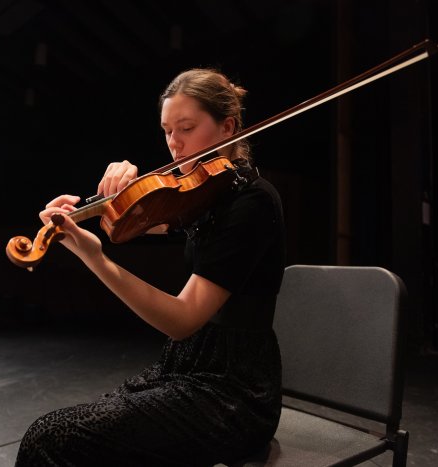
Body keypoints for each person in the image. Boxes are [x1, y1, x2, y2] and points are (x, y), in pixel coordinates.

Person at [15, 68, 285, 466]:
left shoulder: (252, 203)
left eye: (187, 128)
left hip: (234, 392)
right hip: (185, 367)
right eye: (167, 131)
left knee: (50, 437)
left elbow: (183, 319)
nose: (174, 145)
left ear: (227, 127)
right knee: (85, 432)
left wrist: (94, 256)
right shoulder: (206, 195)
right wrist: (110, 199)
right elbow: (146, 217)